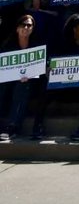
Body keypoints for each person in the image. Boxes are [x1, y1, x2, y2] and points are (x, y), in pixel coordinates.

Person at [31, 12, 79, 141]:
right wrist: (49, 70)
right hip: (62, 88)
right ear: (74, 29)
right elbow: (50, 64)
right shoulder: (61, 44)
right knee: (45, 85)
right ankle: (37, 125)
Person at [0, 12, 44, 140]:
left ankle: (13, 126)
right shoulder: (7, 45)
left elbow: (40, 68)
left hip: (31, 81)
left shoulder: (37, 44)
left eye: (29, 25)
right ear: (17, 28)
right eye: (23, 25)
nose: (26, 28)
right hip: (8, 80)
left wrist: (31, 75)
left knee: (21, 87)